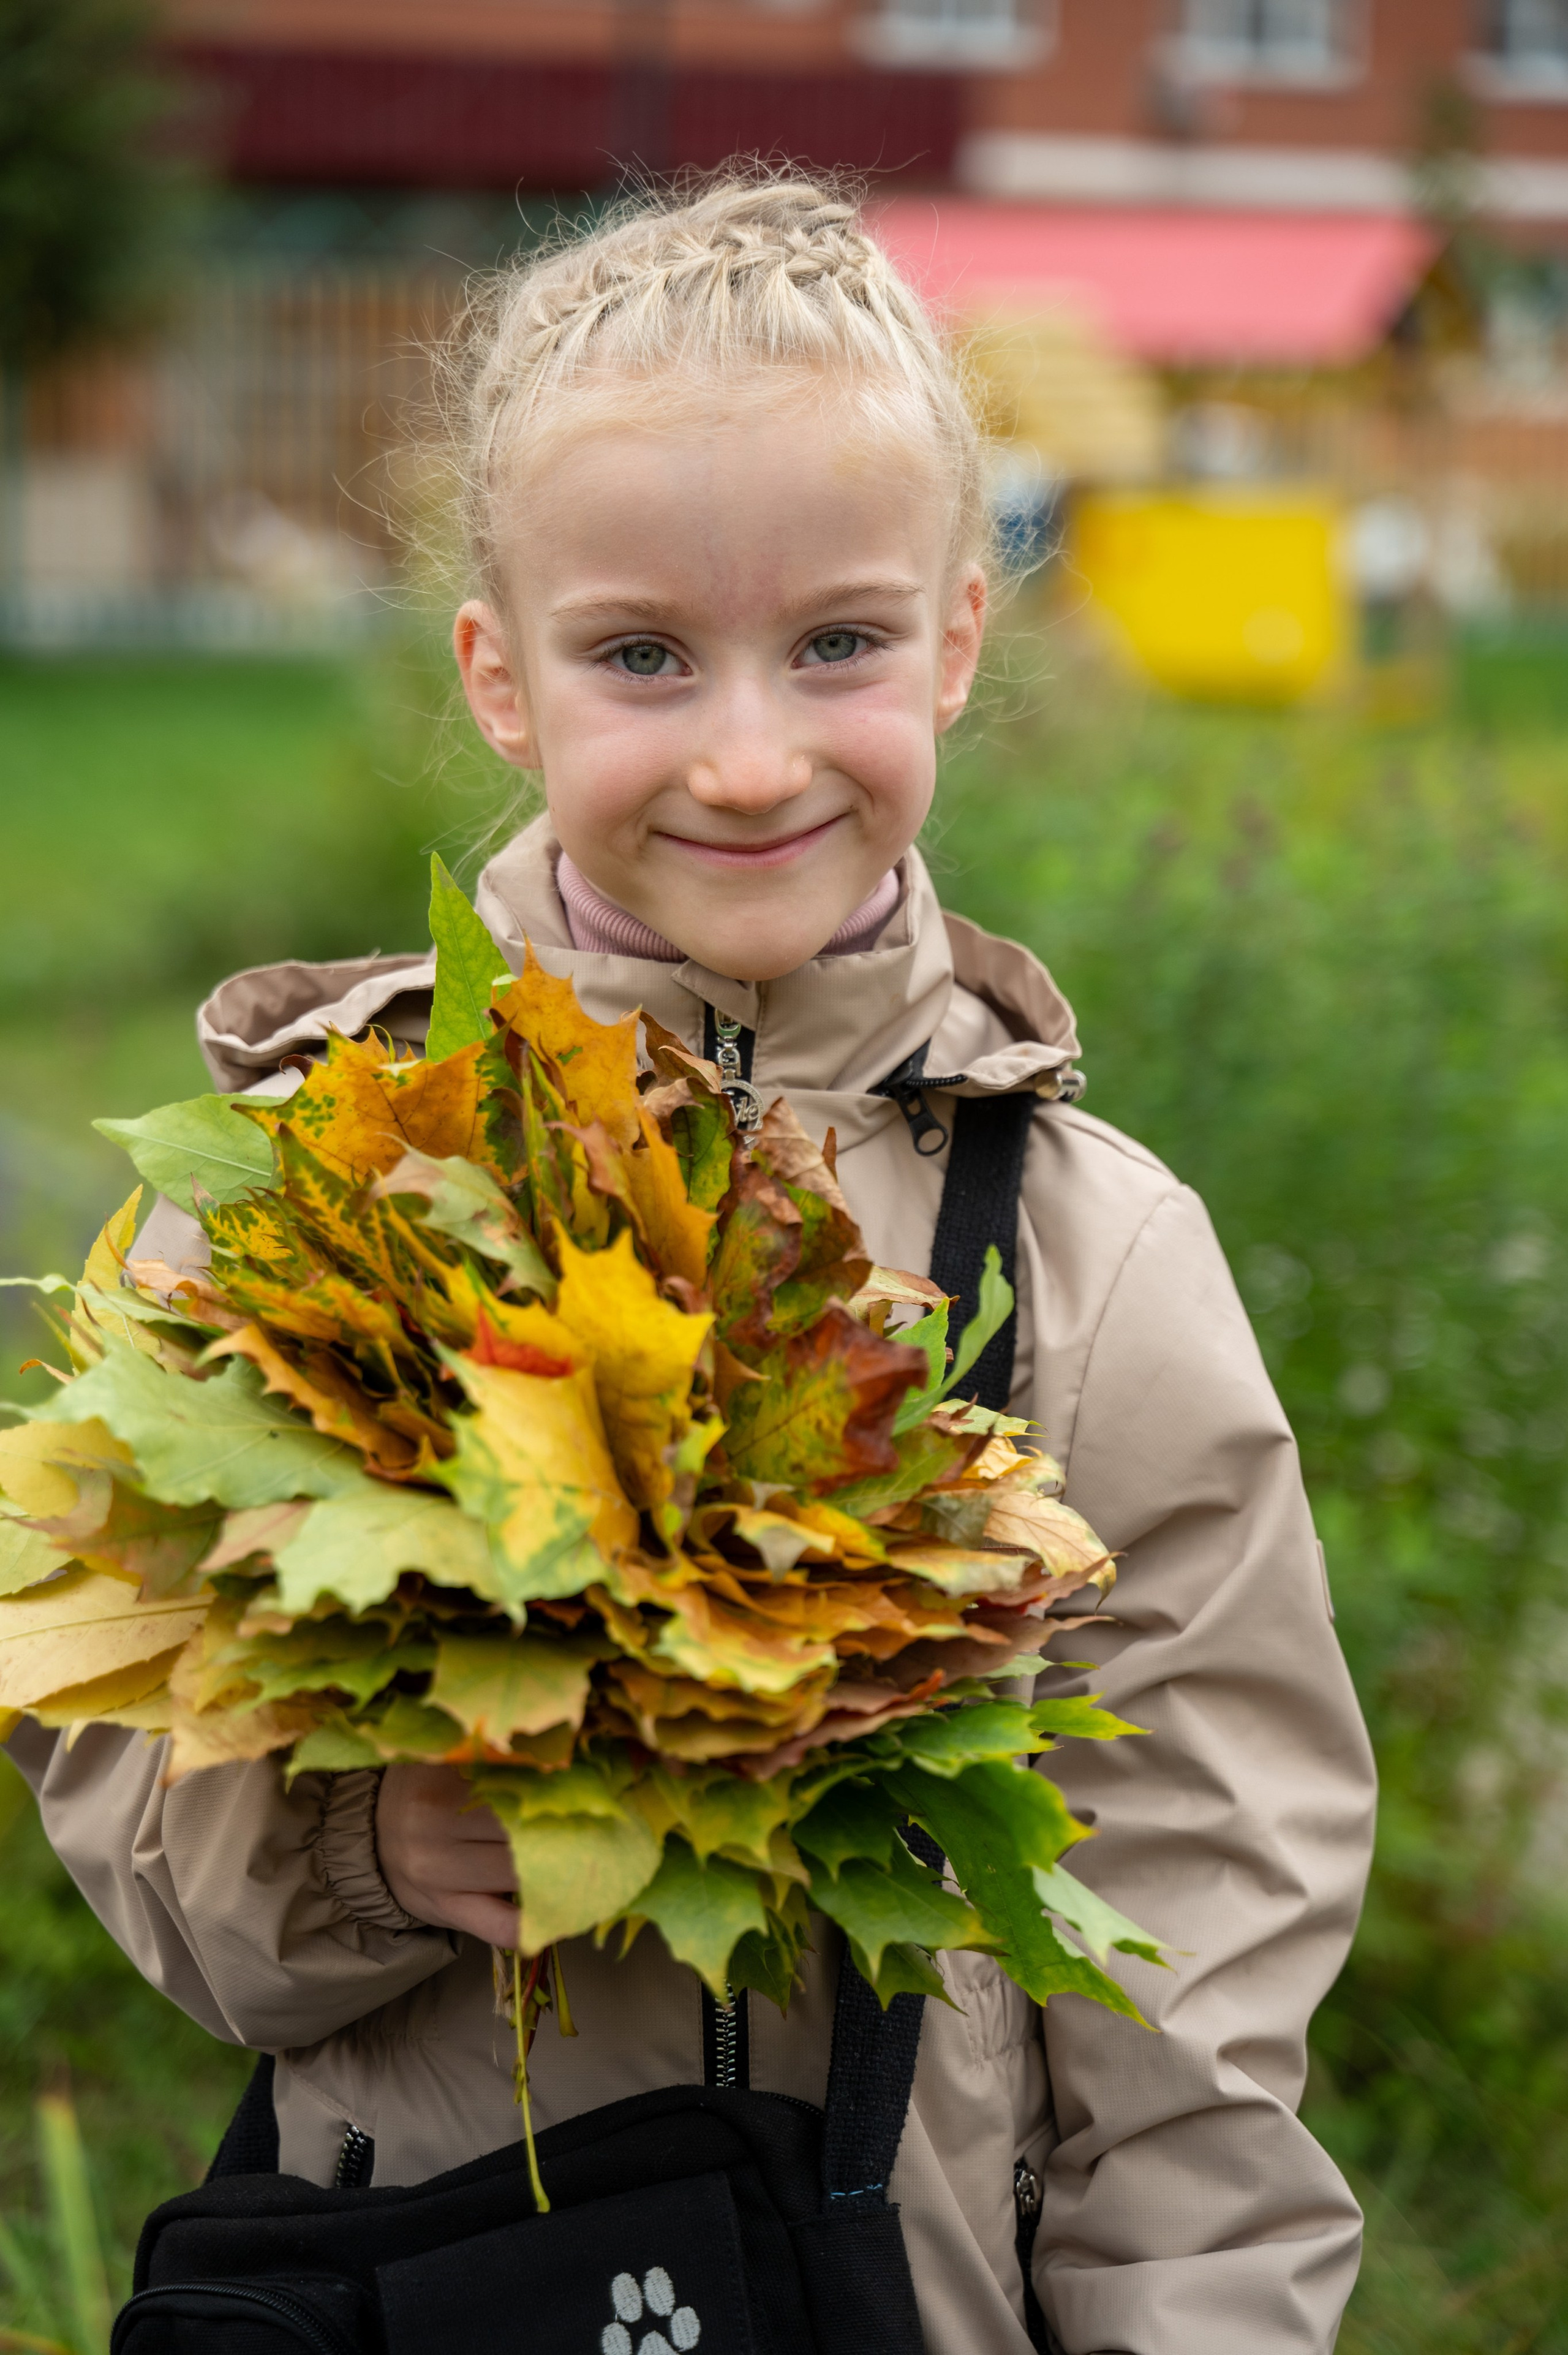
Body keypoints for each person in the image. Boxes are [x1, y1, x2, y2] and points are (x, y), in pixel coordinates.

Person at [6, 172, 1375, 2354]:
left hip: (910, 2297)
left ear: (953, 636)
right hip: (433, 2288)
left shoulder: (1094, 1257)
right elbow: (114, 1741)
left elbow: (1199, 1928)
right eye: (643, 655)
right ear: (503, 676)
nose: (749, 756)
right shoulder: (311, 1185)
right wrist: (358, 1844)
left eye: (835, 644)